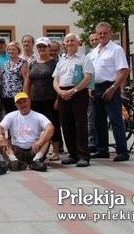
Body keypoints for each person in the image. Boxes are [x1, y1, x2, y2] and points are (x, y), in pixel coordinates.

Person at [87, 22, 130, 162]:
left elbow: (124, 71)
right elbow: (91, 72)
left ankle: (122, 151)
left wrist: (114, 87)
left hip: (110, 86)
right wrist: (90, 88)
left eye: (105, 33)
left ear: (110, 33)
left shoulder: (116, 49)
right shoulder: (93, 52)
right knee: (98, 121)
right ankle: (102, 150)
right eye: (100, 33)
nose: (102, 35)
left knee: (115, 120)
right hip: (96, 88)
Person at [53, 33, 94, 167]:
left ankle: (83, 155)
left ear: (78, 43)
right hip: (63, 93)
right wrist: (59, 92)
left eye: (72, 41)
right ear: (64, 44)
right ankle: (72, 154)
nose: (69, 43)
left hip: (78, 93)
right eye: (67, 41)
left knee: (80, 124)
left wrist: (74, 90)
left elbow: (87, 78)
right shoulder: (61, 60)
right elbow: (55, 79)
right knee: (66, 124)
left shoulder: (84, 59)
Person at [0, 92, 54, 172]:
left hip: (34, 149)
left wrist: (40, 142)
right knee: (1, 137)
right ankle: (14, 160)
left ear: (29, 101)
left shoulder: (38, 116)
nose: (22, 104)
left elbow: (50, 128)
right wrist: (1, 138)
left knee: (45, 134)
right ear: (16, 105)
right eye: (19, 103)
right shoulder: (11, 115)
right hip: (17, 150)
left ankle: (36, 160)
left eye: (24, 101)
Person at [27, 37, 61, 161]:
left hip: (50, 98)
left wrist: (58, 98)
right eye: (39, 47)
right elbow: (28, 81)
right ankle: (40, 150)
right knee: (37, 126)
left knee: (53, 124)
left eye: (44, 47)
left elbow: (59, 81)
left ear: (48, 48)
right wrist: (26, 98)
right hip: (35, 99)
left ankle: (56, 151)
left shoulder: (55, 63)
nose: (42, 49)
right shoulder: (33, 63)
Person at [0, 41, 29, 113]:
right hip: (5, 96)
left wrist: (25, 95)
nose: (11, 51)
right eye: (9, 49)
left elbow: (26, 79)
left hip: (18, 96)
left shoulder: (23, 63)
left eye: (13, 49)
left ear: (18, 51)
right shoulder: (6, 63)